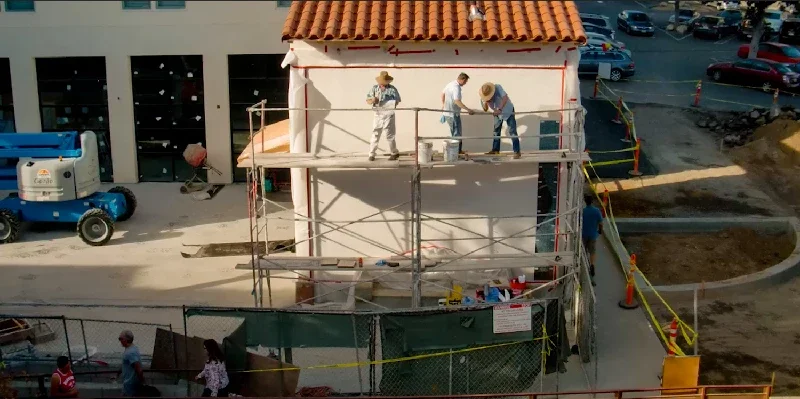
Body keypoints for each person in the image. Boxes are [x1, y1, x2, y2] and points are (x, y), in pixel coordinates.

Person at [479, 82, 521, 159]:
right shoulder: (484, 96)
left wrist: (500, 109)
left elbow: (505, 98)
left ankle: (517, 151)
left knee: (512, 131)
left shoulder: (498, 87)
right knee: (496, 131)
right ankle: (495, 150)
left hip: (508, 111)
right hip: (497, 113)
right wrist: (486, 102)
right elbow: (485, 109)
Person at [366, 71, 401, 161]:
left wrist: (391, 103)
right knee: (375, 133)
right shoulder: (374, 88)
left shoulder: (392, 89)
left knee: (389, 135)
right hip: (378, 114)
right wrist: (373, 100)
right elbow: (368, 100)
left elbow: (397, 100)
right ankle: (371, 154)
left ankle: (394, 152)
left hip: (388, 114)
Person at [441, 73, 476, 154]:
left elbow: (442, 94)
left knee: (455, 133)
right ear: (462, 79)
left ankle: (456, 151)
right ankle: (457, 151)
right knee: (457, 133)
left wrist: (443, 105)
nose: (465, 83)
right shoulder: (456, 87)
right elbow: (457, 101)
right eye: (466, 81)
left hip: (448, 113)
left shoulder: (450, 84)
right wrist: (468, 110)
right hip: (453, 114)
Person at [582, 195, 604, 286]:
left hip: (583, 234)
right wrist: (600, 230)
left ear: (585, 201)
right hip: (593, 235)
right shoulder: (597, 211)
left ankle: (584, 264)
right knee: (592, 251)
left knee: (584, 251)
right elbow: (601, 223)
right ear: (592, 201)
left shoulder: (583, 211)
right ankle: (592, 265)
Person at [118, 330, 145, 397]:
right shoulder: (133, 348)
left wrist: (142, 382)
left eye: (121, 339)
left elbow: (139, 369)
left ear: (127, 339)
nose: (119, 340)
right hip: (129, 385)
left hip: (130, 386)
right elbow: (127, 364)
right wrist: (118, 373)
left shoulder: (130, 352)